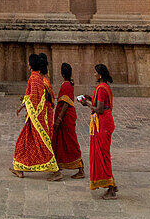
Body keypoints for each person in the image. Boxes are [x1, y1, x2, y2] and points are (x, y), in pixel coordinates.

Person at [11, 52, 57, 176]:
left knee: (39, 143)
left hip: (35, 117)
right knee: (25, 142)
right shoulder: (38, 77)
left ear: (30, 65)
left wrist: (24, 106)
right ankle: (19, 168)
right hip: (35, 116)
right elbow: (33, 96)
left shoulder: (33, 77)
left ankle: (55, 169)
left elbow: (35, 98)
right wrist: (24, 105)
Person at [80, 63, 117, 198]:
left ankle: (111, 188)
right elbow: (102, 104)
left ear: (100, 74)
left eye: (95, 72)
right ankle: (110, 184)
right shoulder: (104, 87)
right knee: (102, 155)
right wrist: (91, 98)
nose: (94, 74)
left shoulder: (101, 89)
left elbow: (100, 109)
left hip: (103, 125)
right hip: (103, 123)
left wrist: (87, 104)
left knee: (102, 156)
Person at [48, 62, 84, 180]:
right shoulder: (67, 84)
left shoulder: (67, 85)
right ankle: (58, 166)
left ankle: (80, 168)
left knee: (70, 141)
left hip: (65, 118)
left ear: (62, 73)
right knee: (60, 141)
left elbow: (66, 103)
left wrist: (59, 118)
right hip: (64, 117)